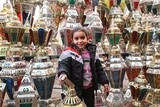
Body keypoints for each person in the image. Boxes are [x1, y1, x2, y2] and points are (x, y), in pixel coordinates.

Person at [57, 27, 109, 107]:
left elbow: (99, 69)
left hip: (89, 87)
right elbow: (64, 64)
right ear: (72, 40)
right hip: (75, 88)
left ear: (87, 37)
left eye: (82, 37)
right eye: (76, 38)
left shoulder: (92, 53)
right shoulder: (68, 52)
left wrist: (104, 82)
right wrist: (63, 73)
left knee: (90, 104)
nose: (80, 41)